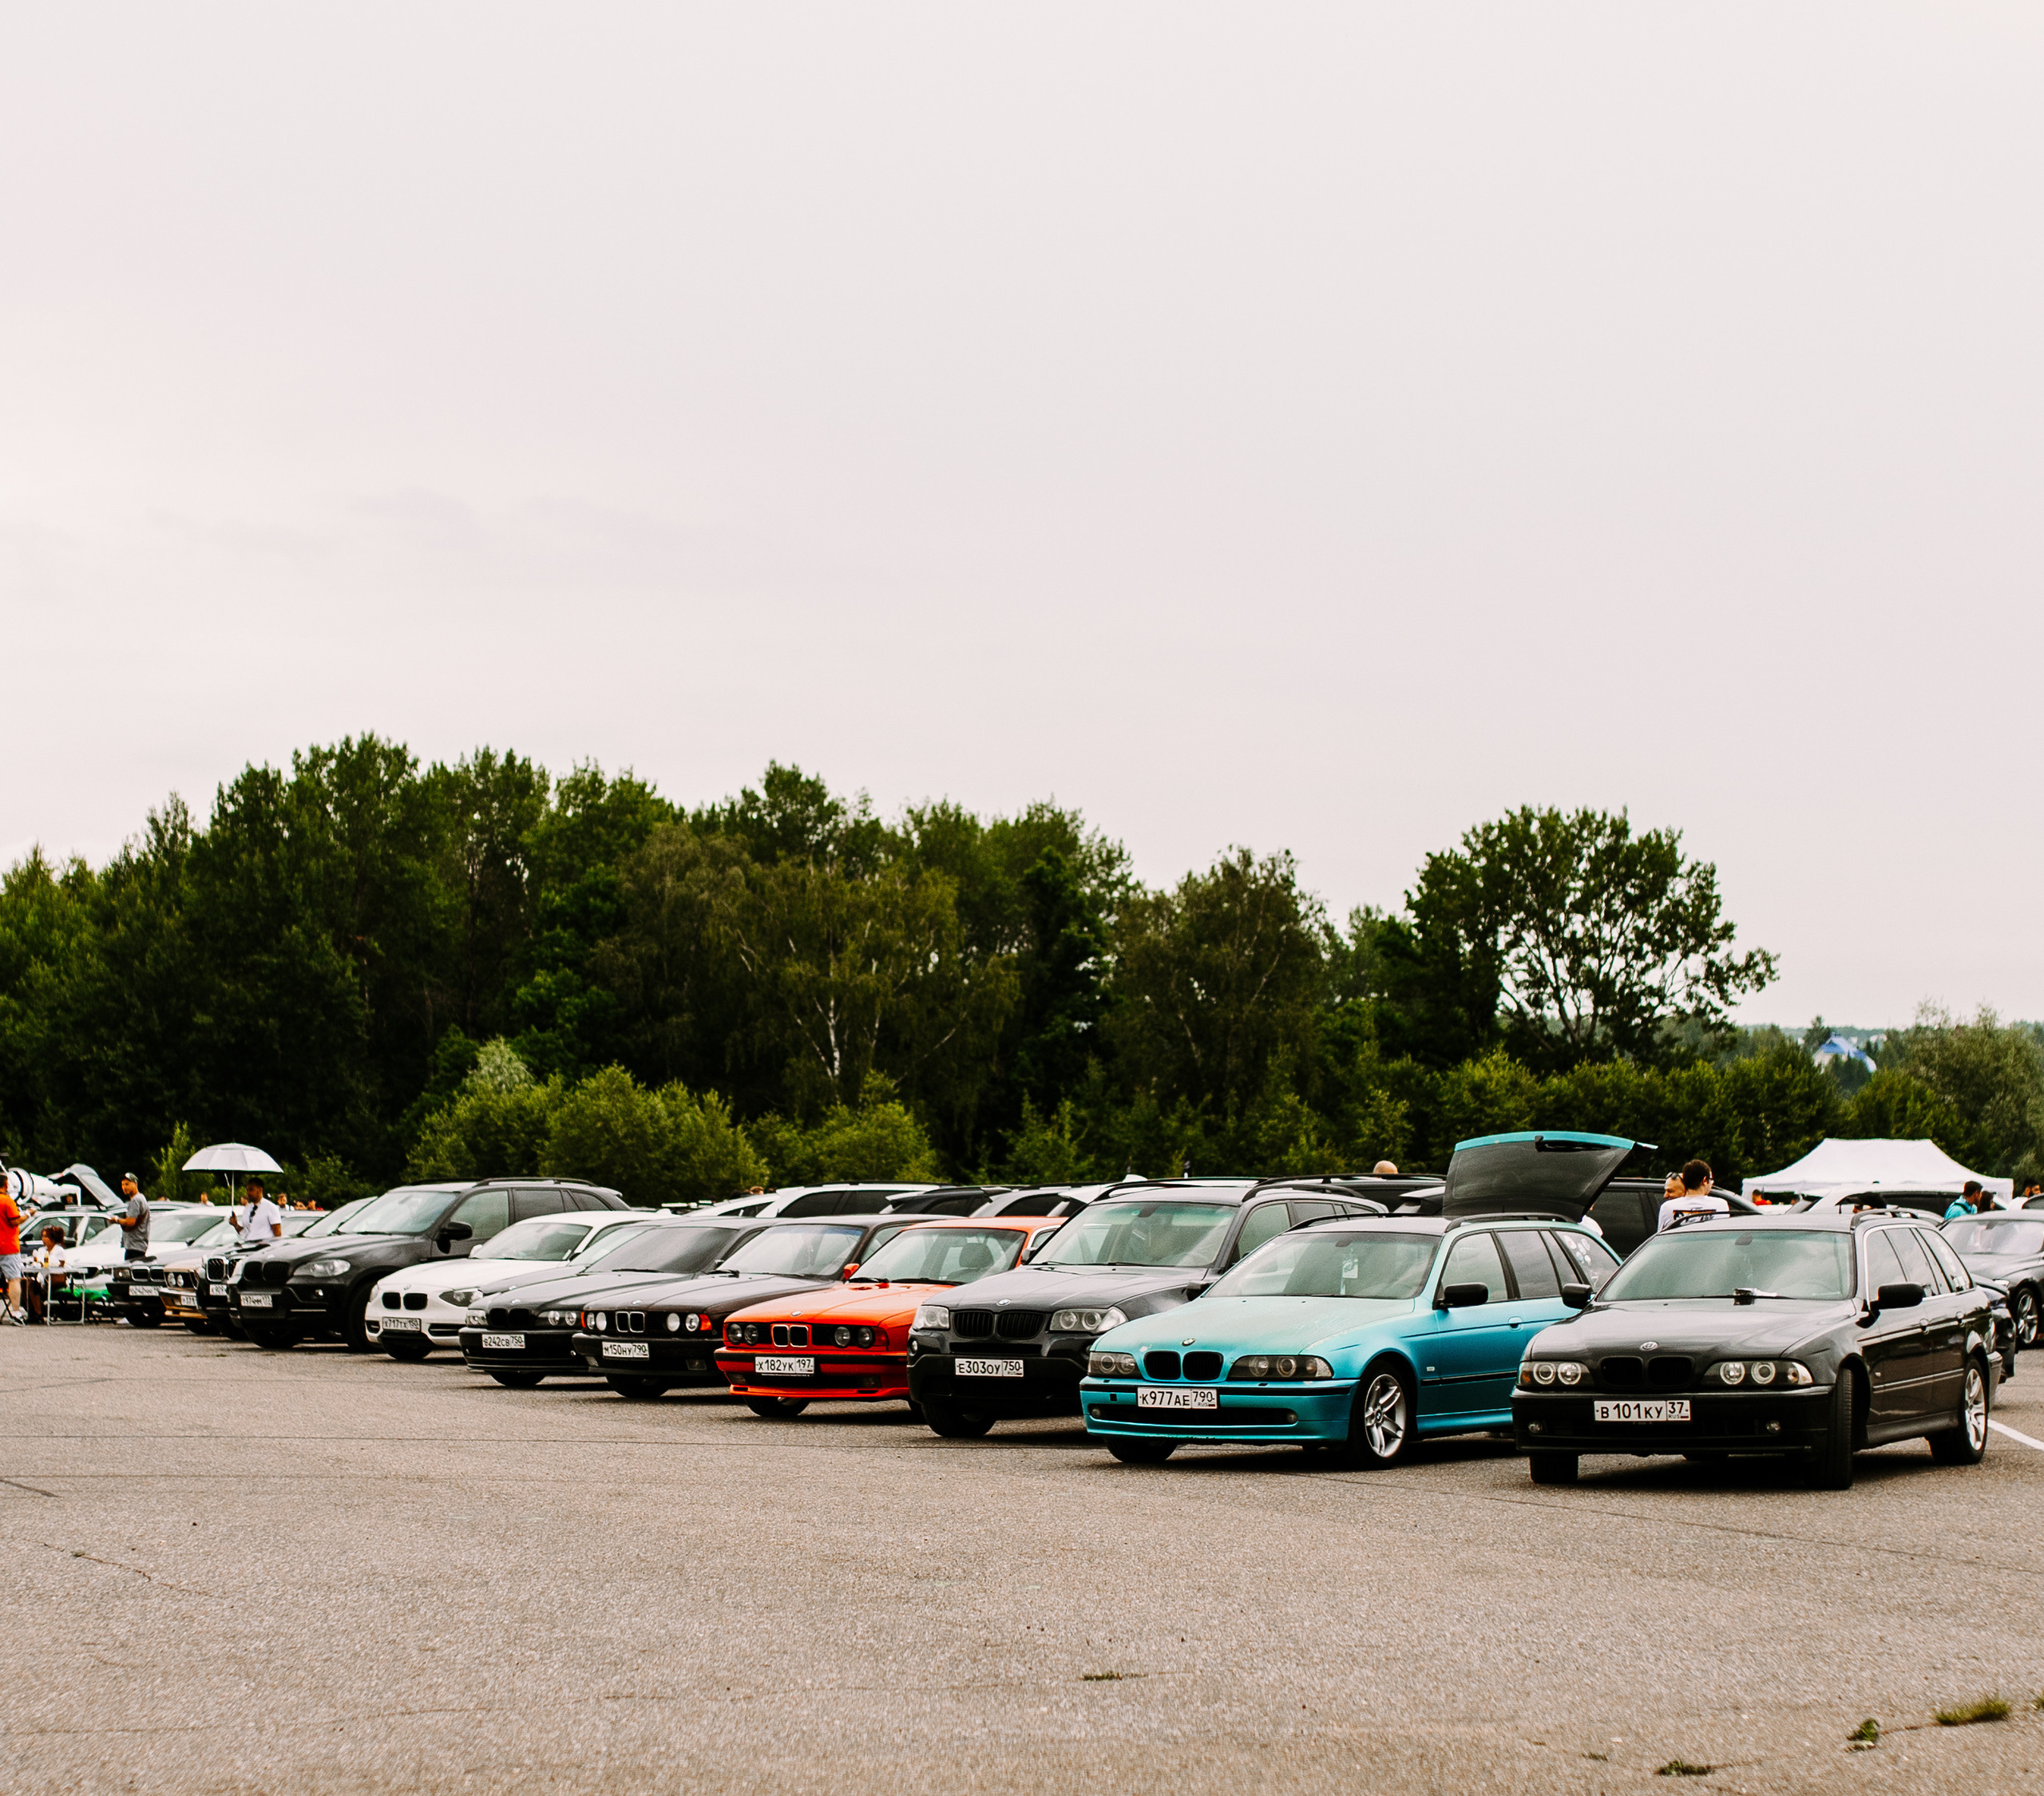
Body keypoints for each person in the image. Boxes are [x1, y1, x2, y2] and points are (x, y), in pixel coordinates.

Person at [1658, 1160, 1729, 1232]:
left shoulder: (1667, 1207)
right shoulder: (1721, 1205)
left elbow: (1660, 1237)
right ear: (1704, 1180)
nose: (1711, 1183)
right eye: (1710, 1180)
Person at [0, 1168, 24, 1324]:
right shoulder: (7, 1201)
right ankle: (16, 1312)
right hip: (8, 1246)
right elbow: (15, 1221)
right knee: (14, 1279)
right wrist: (28, 1215)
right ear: (6, 1184)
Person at [113, 1172, 153, 1261]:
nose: (124, 1187)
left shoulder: (136, 1200)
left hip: (134, 1247)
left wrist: (116, 1220)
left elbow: (131, 1222)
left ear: (135, 1184)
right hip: (139, 1246)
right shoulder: (141, 1198)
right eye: (123, 1185)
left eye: (127, 1184)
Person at [233, 1177, 283, 1246]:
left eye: (251, 1190)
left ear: (260, 1190)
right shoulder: (247, 1209)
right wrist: (235, 1224)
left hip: (264, 1247)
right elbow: (244, 1233)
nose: (248, 1193)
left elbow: (277, 1234)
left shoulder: (271, 1207)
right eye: (247, 1190)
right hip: (248, 1246)